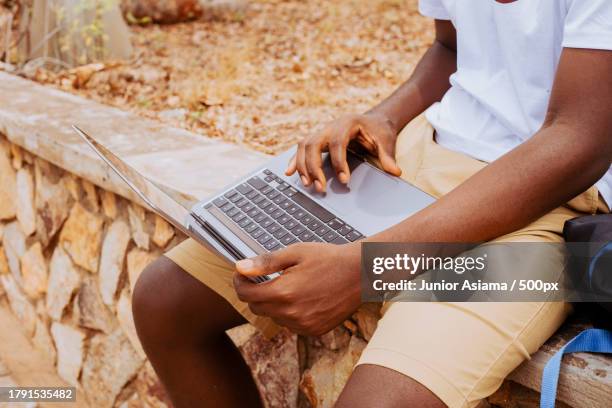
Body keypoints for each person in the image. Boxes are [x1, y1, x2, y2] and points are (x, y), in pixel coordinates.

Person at [132, 1, 612, 407]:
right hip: (420, 155)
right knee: (165, 302)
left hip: (552, 202)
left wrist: (370, 267)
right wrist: (384, 117)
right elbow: (452, 46)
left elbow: (579, 140)